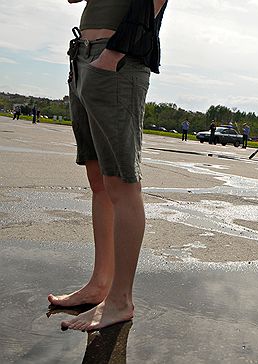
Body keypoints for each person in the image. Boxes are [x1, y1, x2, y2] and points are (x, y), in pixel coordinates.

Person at [48, 0, 168, 332]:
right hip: (82, 55)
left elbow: (151, 6)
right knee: (98, 181)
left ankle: (120, 300)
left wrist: (113, 53)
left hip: (117, 58)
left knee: (122, 182)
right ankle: (100, 283)